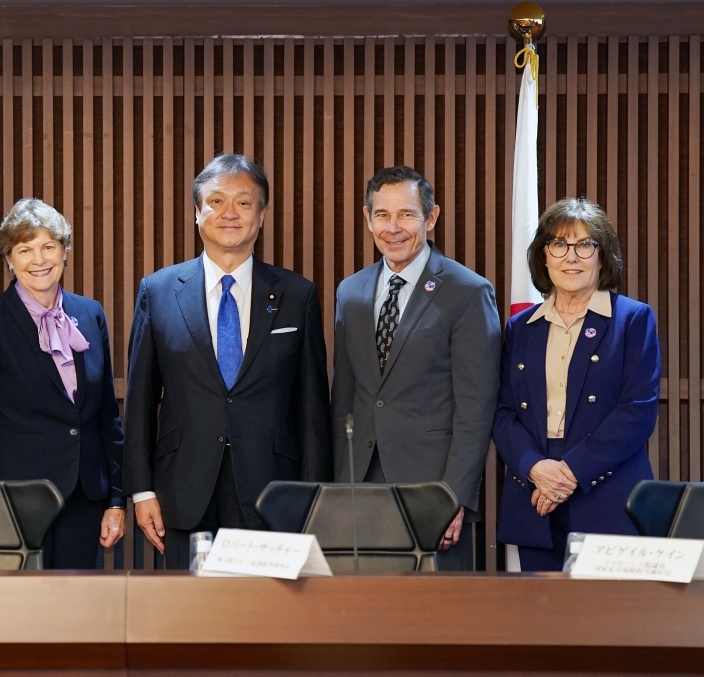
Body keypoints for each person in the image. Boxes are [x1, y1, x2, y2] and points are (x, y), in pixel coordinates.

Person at [124, 153, 333, 569]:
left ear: (261, 216)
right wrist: (141, 490)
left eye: (243, 202)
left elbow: (312, 408)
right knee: (189, 624)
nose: (229, 213)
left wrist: (313, 496)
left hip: (272, 489)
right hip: (182, 490)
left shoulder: (297, 294)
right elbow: (140, 400)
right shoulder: (159, 290)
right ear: (197, 214)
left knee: (264, 623)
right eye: (216, 202)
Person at [331, 165, 501, 570]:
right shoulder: (350, 292)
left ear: (431, 216)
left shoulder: (468, 291)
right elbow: (345, 397)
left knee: (434, 623)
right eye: (382, 215)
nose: (393, 227)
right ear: (367, 218)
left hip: (432, 490)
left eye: (406, 214)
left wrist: (454, 496)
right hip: (361, 487)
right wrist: (339, 489)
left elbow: (476, 407)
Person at [0, 199, 125, 569]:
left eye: (49, 246)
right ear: (10, 261)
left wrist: (115, 499)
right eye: (25, 249)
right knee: (20, 616)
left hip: (84, 496)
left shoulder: (90, 313)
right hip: (16, 501)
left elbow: (106, 416)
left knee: (73, 611)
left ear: (65, 252)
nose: (39, 259)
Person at [493, 198, 660, 571]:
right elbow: (503, 413)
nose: (571, 257)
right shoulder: (520, 328)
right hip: (533, 493)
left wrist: (568, 474)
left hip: (607, 494)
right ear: (544, 257)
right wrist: (535, 468)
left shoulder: (633, 319)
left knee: (609, 624)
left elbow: (637, 412)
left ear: (603, 256)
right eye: (559, 245)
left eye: (585, 245)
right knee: (539, 623)